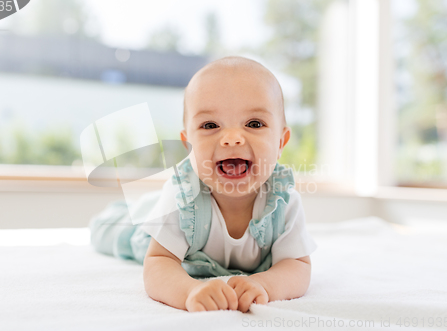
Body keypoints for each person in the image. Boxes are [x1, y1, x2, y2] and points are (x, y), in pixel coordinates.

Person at [89, 56, 317, 313]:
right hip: (149, 230)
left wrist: (265, 285)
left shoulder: (282, 202)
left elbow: (297, 265)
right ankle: (116, 214)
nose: (232, 138)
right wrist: (190, 291)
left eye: (254, 123)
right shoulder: (181, 196)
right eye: (210, 125)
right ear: (188, 144)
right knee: (113, 228)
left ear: (280, 143)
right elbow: (158, 262)